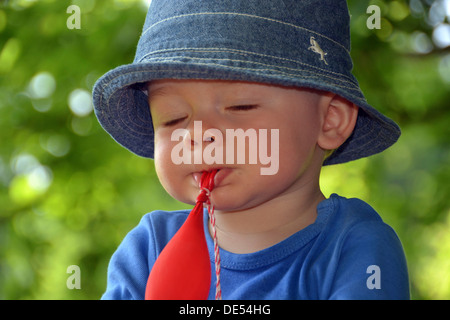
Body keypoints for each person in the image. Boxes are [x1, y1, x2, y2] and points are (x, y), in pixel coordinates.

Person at [92, 0, 410, 300]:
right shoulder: (148, 250)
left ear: (329, 120)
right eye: (173, 118)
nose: (200, 135)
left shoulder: (354, 249)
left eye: (240, 106)